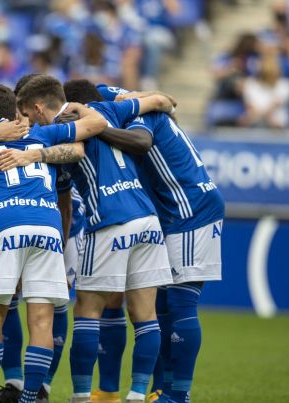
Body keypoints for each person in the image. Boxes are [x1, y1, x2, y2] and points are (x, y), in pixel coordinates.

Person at [0, 75, 175, 403]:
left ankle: (80, 396)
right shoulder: (110, 110)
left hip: (108, 219)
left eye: (25, 114)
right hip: (147, 219)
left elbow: (76, 151)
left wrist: (34, 155)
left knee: (87, 311)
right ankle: (137, 395)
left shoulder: (56, 130)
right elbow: (164, 101)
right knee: (144, 313)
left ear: (37, 108)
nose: (24, 122)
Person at [0, 81, 110, 403]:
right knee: (42, 319)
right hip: (47, 226)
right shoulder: (41, 134)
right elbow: (97, 125)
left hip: (5, 225)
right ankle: (31, 398)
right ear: (16, 111)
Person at [88, 80, 225, 403]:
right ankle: (161, 390)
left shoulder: (137, 117)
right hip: (170, 213)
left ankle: (179, 394)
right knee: (161, 305)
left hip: (190, 209)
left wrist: (97, 129)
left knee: (180, 304)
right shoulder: (114, 99)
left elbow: (141, 139)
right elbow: (160, 99)